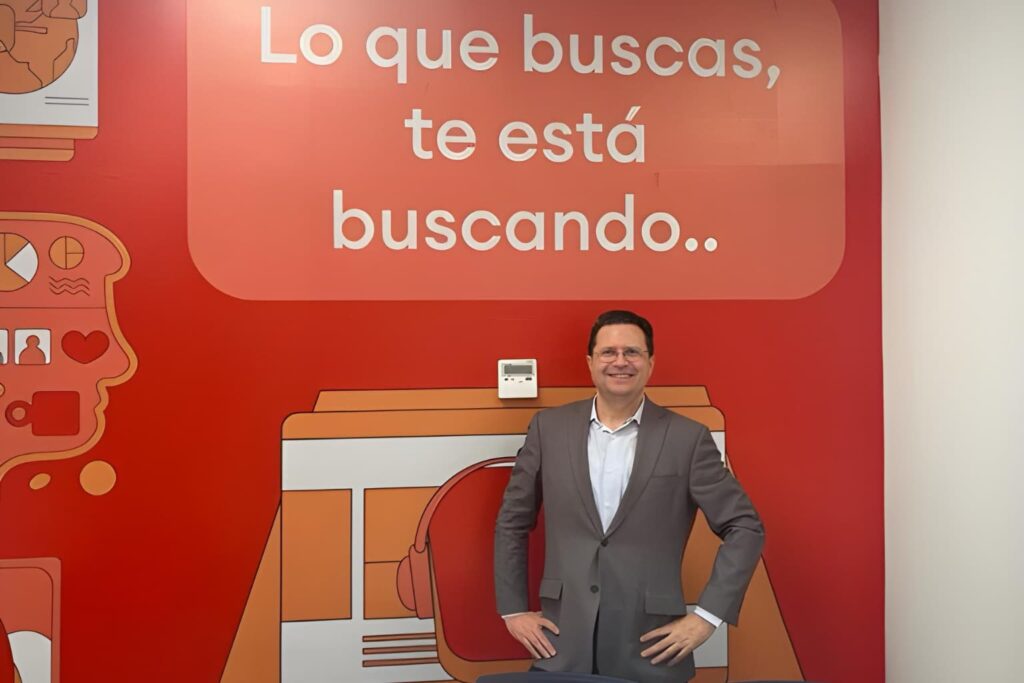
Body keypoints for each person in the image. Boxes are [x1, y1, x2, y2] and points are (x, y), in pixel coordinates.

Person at [494, 310, 764, 682]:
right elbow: (512, 520)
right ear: (590, 363)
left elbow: (745, 527)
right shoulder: (548, 429)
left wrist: (707, 617)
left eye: (632, 352)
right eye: (608, 352)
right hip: (561, 645)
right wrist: (512, 610)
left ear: (650, 364)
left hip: (650, 649)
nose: (620, 362)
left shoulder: (688, 438)